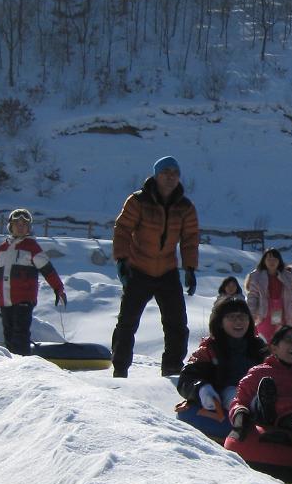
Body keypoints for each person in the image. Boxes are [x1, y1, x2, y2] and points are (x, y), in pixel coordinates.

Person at [111, 156, 201, 377]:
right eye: (165, 172)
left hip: (167, 271)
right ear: (156, 175)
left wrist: (190, 268)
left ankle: (172, 368)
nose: (171, 176)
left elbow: (190, 238)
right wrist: (122, 260)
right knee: (127, 322)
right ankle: (120, 369)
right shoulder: (138, 201)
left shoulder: (185, 206)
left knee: (177, 324)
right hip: (139, 268)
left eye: (175, 173)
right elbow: (122, 229)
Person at [0, 207, 66, 356]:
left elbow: (48, 270)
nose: (20, 228)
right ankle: (11, 366)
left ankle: (23, 366)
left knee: (20, 335)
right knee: (8, 334)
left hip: (24, 300)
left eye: (24, 225)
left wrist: (58, 288)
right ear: (11, 227)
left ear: (29, 228)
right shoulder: (1, 249)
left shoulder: (32, 247)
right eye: (17, 224)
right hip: (5, 301)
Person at [175, 296, 268, 417]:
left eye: (242, 317)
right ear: (220, 322)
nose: (238, 321)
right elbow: (187, 377)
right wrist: (202, 389)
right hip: (226, 393)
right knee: (235, 394)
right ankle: (252, 411)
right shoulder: (209, 349)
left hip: (258, 390)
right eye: (232, 317)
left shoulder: (259, 346)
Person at [228, 325, 292, 440]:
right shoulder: (259, 372)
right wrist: (240, 417)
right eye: (288, 340)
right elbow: (240, 401)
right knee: (265, 389)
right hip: (281, 416)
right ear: (274, 348)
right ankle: (264, 408)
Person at [245, 248, 292, 342]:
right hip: (263, 310)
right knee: (264, 336)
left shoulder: (286, 276)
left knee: (277, 335)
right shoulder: (256, 276)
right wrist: (251, 312)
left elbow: (290, 298)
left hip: (279, 310)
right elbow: (252, 296)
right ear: (264, 261)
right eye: (269, 259)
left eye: (275, 259)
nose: (272, 262)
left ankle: (275, 355)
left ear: (279, 261)